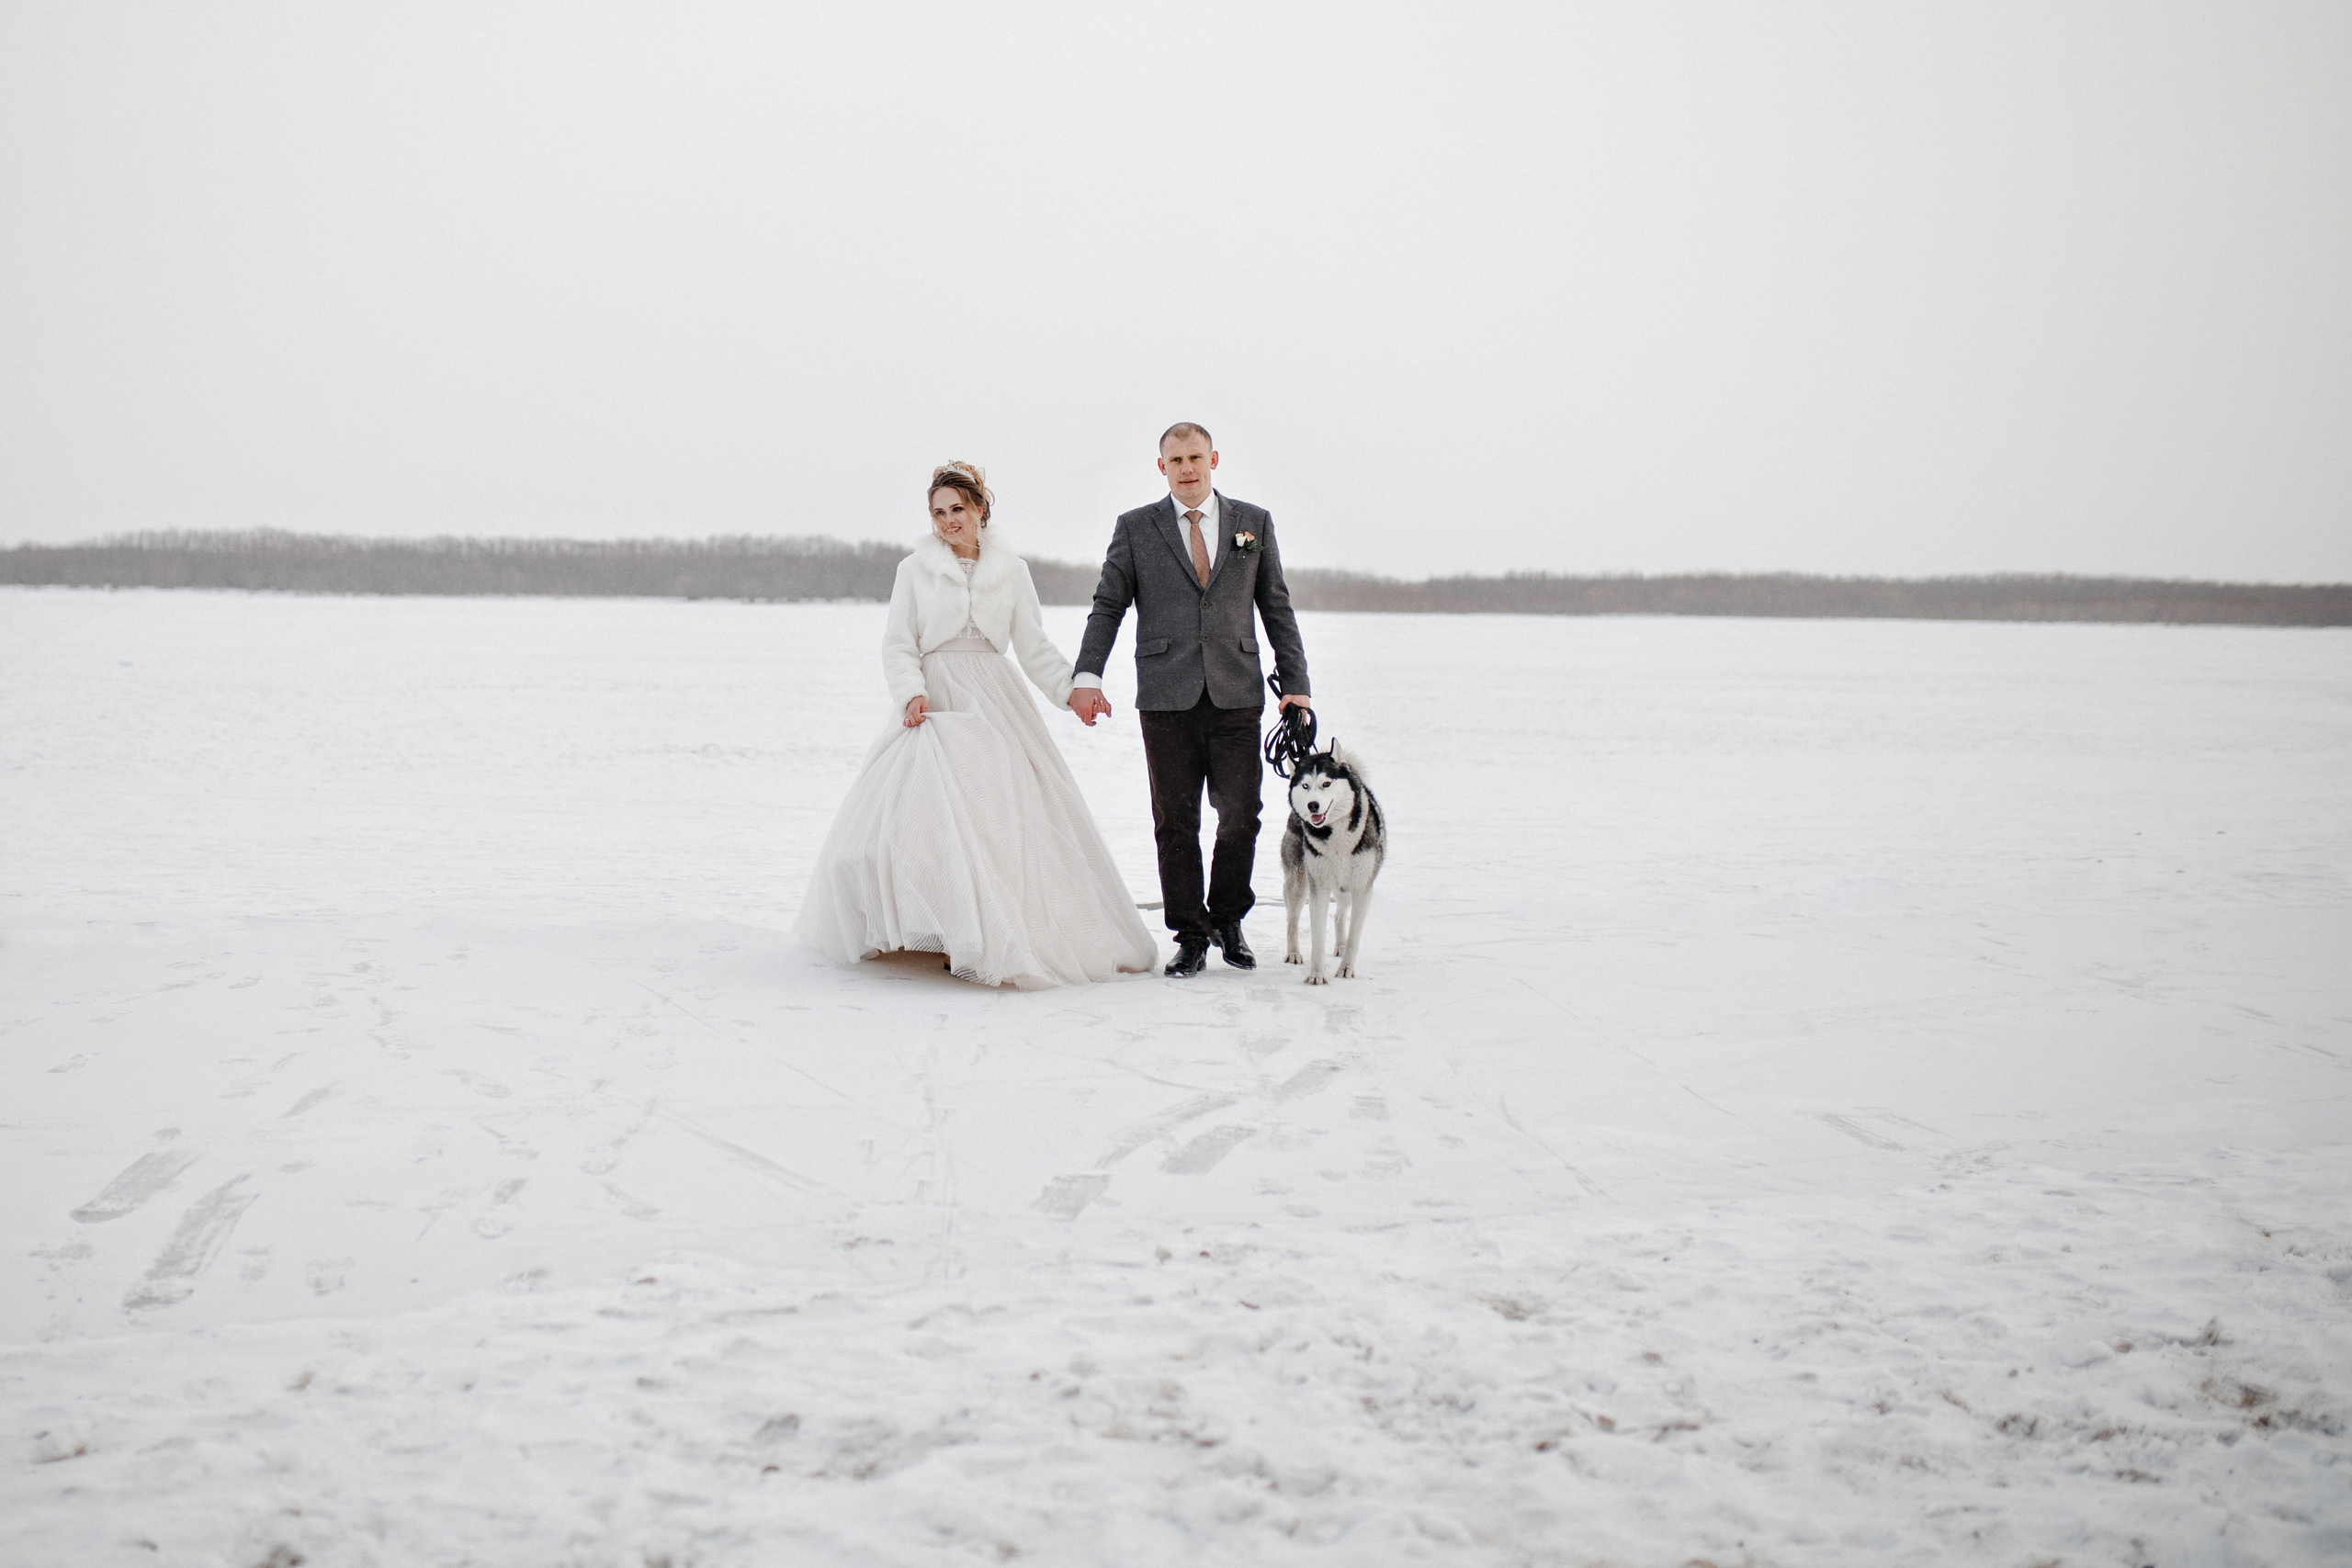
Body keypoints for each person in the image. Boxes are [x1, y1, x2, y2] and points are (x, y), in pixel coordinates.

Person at [794, 462, 1159, 988]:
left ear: (980, 508)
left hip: (994, 695)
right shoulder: (913, 570)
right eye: (938, 513)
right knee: (922, 819)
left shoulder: (1012, 570)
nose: (948, 521)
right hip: (936, 696)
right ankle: (937, 928)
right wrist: (912, 694)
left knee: (996, 817)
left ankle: (987, 933)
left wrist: (1073, 690)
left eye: (957, 509)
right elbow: (898, 642)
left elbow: (1033, 647)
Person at [1069, 424, 1312, 977]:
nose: (1186, 468)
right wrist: (1088, 674)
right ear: (1161, 466)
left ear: (1214, 459)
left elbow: (1276, 606)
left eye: (1195, 457)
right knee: (1174, 821)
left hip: (1236, 692)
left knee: (1241, 815)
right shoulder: (1136, 528)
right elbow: (1108, 605)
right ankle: (1190, 935)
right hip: (1165, 696)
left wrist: (1295, 681)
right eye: (1175, 459)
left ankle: (1228, 920)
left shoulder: (1253, 523)